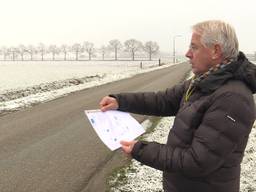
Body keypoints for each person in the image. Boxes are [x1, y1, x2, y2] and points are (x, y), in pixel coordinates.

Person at [99, 20, 256, 192]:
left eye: (194, 47)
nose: (188, 53)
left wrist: (140, 149)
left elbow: (197, 161)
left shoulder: (233, 99)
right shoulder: (203, 82)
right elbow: (163, 100)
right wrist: (120, 101)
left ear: (215, 51)